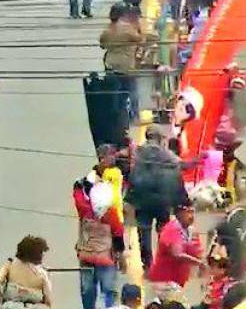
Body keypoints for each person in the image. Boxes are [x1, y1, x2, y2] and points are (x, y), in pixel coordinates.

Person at [129, 125, 185, 269]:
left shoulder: (138, 153)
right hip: (162, 201)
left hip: (142, 201)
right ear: (160, 138)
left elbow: (132, 175)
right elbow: (178, 171)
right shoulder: (167, 155)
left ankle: (147, 263)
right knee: (163, 231)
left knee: (144, 231)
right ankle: (163, 261)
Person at [74, 167, 125, 309]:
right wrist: (120, 256)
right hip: (106, 259)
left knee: (88, 291)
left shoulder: (84, 210)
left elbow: (78, 197)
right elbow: (118, 234)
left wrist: (78, 187)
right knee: (109, 291)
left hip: (86, 257)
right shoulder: (111, 214)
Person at [101, 3, 154, 119]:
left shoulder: (108, 29)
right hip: (126, 65)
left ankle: (117, 115)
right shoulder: (127, 28)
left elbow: (102, 44)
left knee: (115, 93)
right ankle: (134, 115)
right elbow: (141, 40)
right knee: (132, 91)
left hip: (110, 64)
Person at [145, 201, 205, 304]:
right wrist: (199, 263)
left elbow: (198, 252)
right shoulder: (172, 229)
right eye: (188, 212)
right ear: (179, 213)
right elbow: (177, 254)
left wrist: (202, 263)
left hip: (177, 282)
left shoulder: (191, 231)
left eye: (192, 212)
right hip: (163, 282)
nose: (191, 216)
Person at [0, 236, 53, 308]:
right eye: (41, 252)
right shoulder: (42, 274)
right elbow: (48, 300)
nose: (43, 255)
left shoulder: (10, 265)